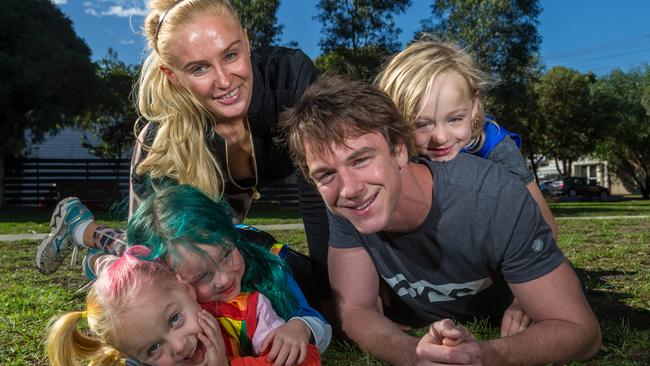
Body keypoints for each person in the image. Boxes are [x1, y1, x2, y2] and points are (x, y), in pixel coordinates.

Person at [279, 75, 601, 365]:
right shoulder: (344, 207)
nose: (349, 189)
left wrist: (483, 355)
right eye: (326, 175)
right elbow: (355, 310)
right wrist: (414, 354)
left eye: (362, 159)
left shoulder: (492, 195)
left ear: (400, 150)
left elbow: (581, 332)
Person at [35, 0, 331, 312]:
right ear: (172, 75)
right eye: (199, 68)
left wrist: (333, 298)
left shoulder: (288, 76)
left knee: (299, 284)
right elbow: (161, 248)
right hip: (188, 204)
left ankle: (86, 234)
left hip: (231, 200)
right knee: (152, 272)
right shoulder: (161, 142)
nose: (225, 81)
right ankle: (90, 243)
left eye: (231, 54)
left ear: (246, 40)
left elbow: (320, 191)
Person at [85, 184, 331, 366]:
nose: (223, 279)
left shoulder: (270, 268)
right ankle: (98, 260)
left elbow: (318, 322)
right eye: (201, 277)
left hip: (258, 245)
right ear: (174, 280)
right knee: (119, 268)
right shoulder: (161, 301)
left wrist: (300, 327)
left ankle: (93, 252)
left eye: (226, 255)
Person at [376, 38, 558, 241]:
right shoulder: (397, 153)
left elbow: (546, 228)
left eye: (454, 119)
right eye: (422, 124)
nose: (441, 137)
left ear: (473, 106)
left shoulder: (495, 147)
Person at [47, 246, 321, 366]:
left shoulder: (244, 310)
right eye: (154, 349)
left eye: (175, 319)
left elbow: (304, 359)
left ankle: (97, 258)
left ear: (189, 290)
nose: (178, 346)